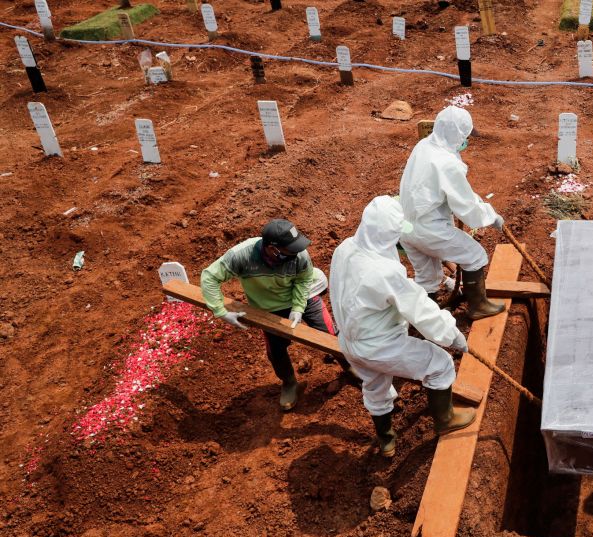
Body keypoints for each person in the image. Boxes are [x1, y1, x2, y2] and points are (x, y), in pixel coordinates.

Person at [330, 196, 472, 458]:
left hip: (349, 341)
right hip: (380, 344)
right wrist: (452, 335)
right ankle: (445, 420)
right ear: (385, 233)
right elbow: (420, 309)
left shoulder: (345, 249)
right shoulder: (384, 272)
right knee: (439, 365)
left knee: (375, 386)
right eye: (396, 232)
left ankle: (386, 440)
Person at [201, 219, 344, 411]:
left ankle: (350, 368)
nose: (296, 253)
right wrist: (220, 311)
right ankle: (289, 382)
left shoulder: (299, 255)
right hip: (268, 306)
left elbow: (303, 280)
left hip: (304, 296)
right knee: (275, 351)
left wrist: (298, 307)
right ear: (272, 248)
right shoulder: (242, 256)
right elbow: (210, 277)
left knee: (330, 336)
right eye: (289, 250)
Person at [398, 105, 506, 320]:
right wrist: (491, 216)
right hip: (430, 229)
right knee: (475, 256)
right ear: (457, 134)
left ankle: (425, 317)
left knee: (427, 276)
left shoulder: (424, 146)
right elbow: (466, 207)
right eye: (465, 136)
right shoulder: (447, 163)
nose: (467, 140)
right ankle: (479, 306)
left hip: (406, 226)